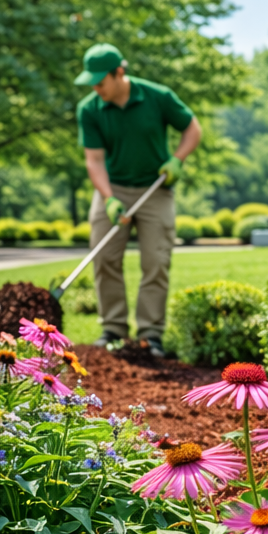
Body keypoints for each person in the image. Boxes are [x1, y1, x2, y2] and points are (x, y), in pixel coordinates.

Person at [75, 42, 202, 357]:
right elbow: (94, 160)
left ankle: (150, 335)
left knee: (156, 261)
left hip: (155, 189)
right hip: (112, 187)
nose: (95, 88)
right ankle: (113, 329)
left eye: (100, 81)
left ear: (119, 72)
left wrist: (177, 160)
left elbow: (192, 129)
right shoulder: (89, 109)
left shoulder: (157, 96)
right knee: (104, 257)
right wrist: (108, 199)